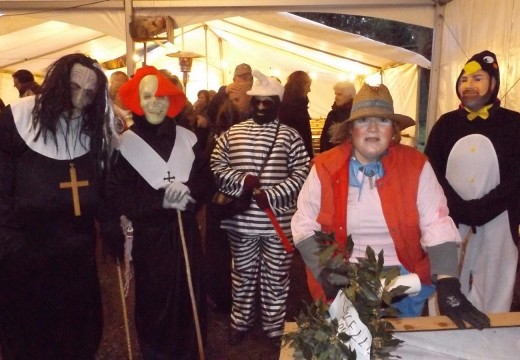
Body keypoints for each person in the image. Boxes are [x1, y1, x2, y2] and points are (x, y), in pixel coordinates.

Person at [291, 83, 490, 330]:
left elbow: (436, 222)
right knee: (348, 345)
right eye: (364, 120)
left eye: (383, 121)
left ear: (393, 131)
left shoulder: (416, 165)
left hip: (404, 281)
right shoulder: (325, 167)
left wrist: (448, 283)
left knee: (400, 347)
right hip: (343, 279)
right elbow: (304, 223)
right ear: (351, 129)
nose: (373, 128)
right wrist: (326, 270)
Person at [0, 53, 109, 359]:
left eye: (88, 94)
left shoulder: (91, 130)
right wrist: (9, 248)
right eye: (73, 88)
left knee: (77, 338)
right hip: (24, 261)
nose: (78, 100)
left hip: (76, 262)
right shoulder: (17, 119)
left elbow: (101, 191)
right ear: (56, 84)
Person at [100, 66, 208, 360]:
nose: (155, 102)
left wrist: (189, 193)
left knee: (189, 298)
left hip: (185, 232)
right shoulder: (124, 146)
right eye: (148, 96)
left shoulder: (190, 139)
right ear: (138, 100)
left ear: (171, 100)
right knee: (155, 301)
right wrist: (160, 202)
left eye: (161, 96)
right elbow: (120, 195)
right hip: (151, 240)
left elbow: (206, 181)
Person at [210, 70, 310, 348]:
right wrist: (241, 181)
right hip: (242, 222)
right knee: (242, 273)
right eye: (258, 101)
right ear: (251, 103)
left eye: (269, 102)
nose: (263, 107)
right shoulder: (232, 133)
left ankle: (274, 326)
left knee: (276, 275)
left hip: (277, 221)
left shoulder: (291, 136)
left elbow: (302, 172)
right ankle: (239, 322)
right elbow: (217, 166)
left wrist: (274, 194)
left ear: (277, 104)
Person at [424, 50, 520, 313]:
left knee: (495, 284)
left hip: (499, 222)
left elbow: (516, 178)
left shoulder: (514, 125)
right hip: (450, 221)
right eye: (464, 79)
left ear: (494, 82)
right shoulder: (445, 125)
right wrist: (460, 208)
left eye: (477, 78)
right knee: (449, 283)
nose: (469, 85)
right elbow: (431, 174)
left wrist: (483, 209)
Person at [278, 70, 314, 159]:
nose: (309, 90)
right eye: (308, 86)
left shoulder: (300, 104)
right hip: (293, 158)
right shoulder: (287, 108)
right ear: (299, 86)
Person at [319, 80, 356, 153]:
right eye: (335, 94)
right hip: (334, 156)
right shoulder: (332, 114)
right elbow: (324, 140)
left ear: (349, 96)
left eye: (339, 94)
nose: (335, 98)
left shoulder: (357, 113)